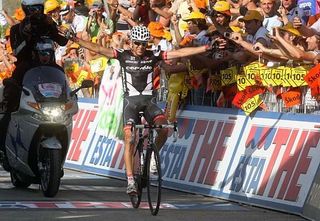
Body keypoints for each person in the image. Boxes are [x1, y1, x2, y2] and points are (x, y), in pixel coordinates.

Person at [66, 25, 212, 194]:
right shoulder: (123, 55)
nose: (141, 47)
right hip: (131, 104)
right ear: (131, 43)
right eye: (137, 43)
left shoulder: (153, 56)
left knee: (164, 129)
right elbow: (98, 48)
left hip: (149, 103)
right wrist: (76, 40)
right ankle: (130, 180)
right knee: (129, 137)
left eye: (144, 44)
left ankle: (151, 158)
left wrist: (205, 47)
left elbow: (178, 54)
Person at [0, 0, 68, 153]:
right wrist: (28, 34)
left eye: (39, 8)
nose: (36, 12)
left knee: (63, 77)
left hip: (49, 68)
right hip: (26, 69)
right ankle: (3, 143)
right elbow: (17, 53)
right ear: (25, 9)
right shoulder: (17, 28)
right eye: (33, 9)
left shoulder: (48, 25)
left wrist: (55, 26)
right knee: (10, 94)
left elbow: (63, 41)